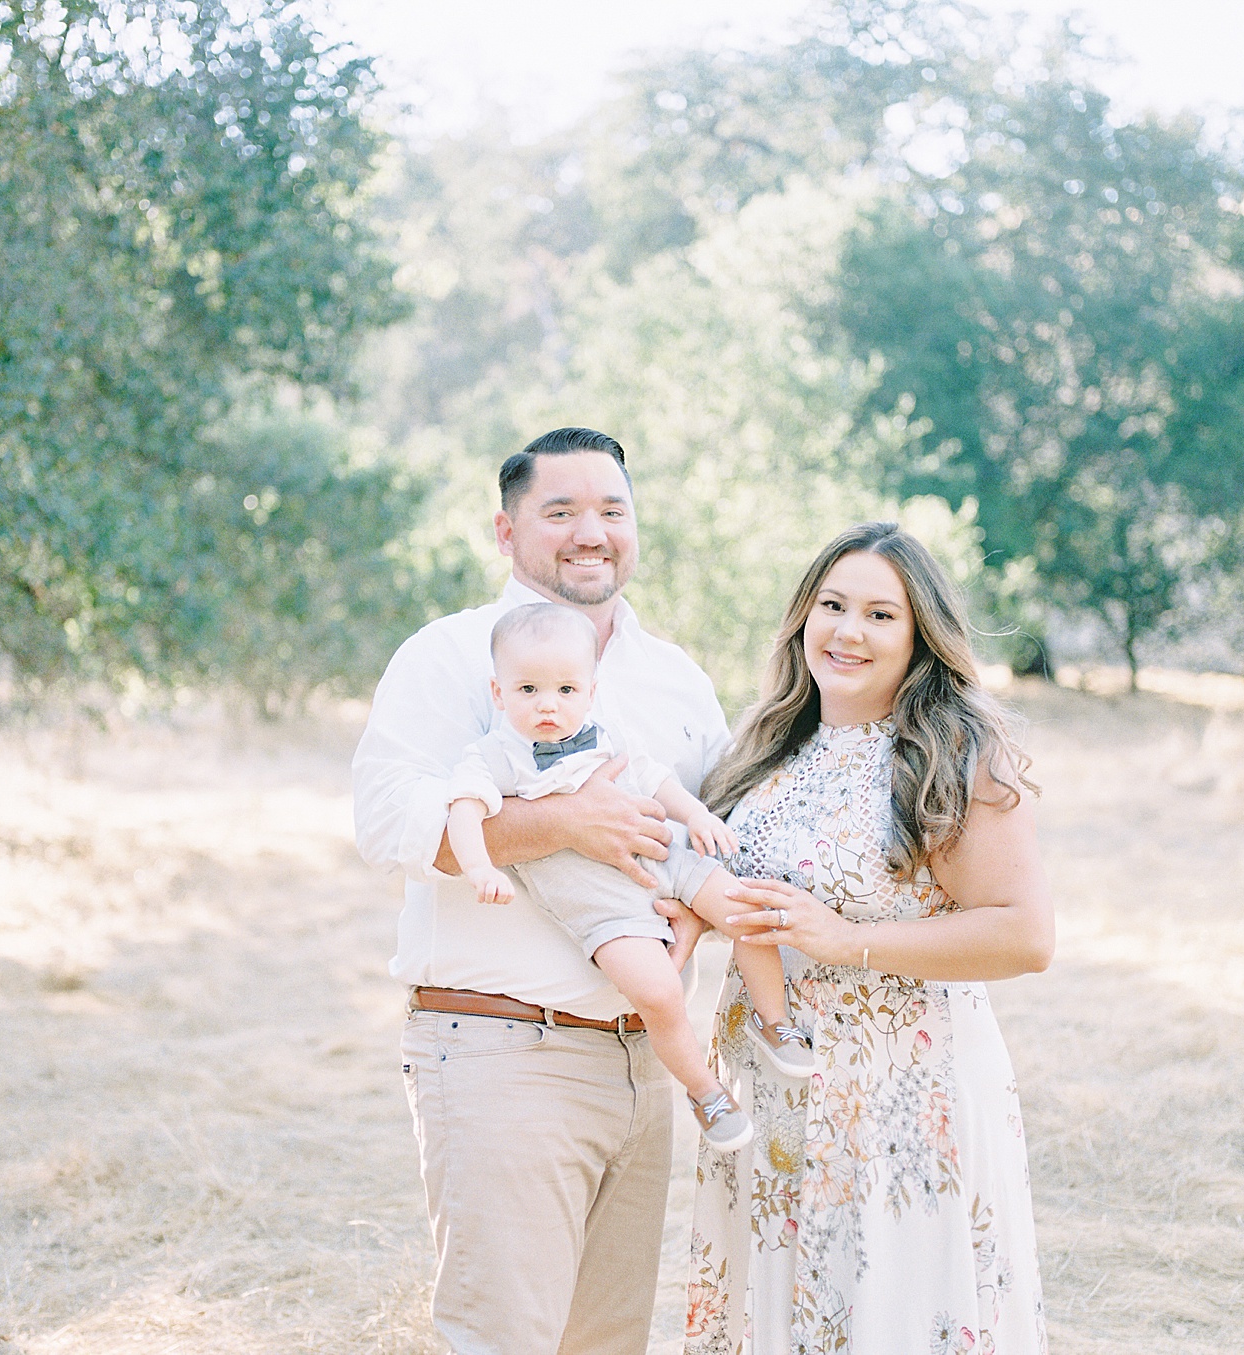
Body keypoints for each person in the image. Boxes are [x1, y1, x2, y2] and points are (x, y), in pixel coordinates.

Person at [352, 427, 729, 1355]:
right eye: (559, 511)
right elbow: (388, 821)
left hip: (645, 1061)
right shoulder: (447, 657)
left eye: (611, 510)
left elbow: (709, 830)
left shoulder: (676, 677)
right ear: (506, 529)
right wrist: (562, 821)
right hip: (503, 1047)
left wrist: (691, 914)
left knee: (605, 1345)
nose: (590, 531)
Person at [683, 521, 1055, 1355]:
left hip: (900, 1094)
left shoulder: (955, 748)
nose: (849, 631)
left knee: (887, 1309)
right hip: (773, 1086)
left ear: (920, 633)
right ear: (802, 617)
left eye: (881, 614)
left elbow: (1025, 935)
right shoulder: (769, 744)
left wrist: (847, 938)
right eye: (833, 604)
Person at [445, 601, 816, 1152]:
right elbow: (463, 808)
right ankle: (705, 1091)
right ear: (499, 694)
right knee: (660, 993)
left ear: (590, 691)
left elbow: (655, 778)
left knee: (746, 910)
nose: (548, 706)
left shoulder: (605, 733)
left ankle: (774, 1018)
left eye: (565, 691)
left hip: (666, 855)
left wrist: (696, 815)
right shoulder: (499, 756)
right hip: (601, 905)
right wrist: (479, 867)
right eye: (528, 691)